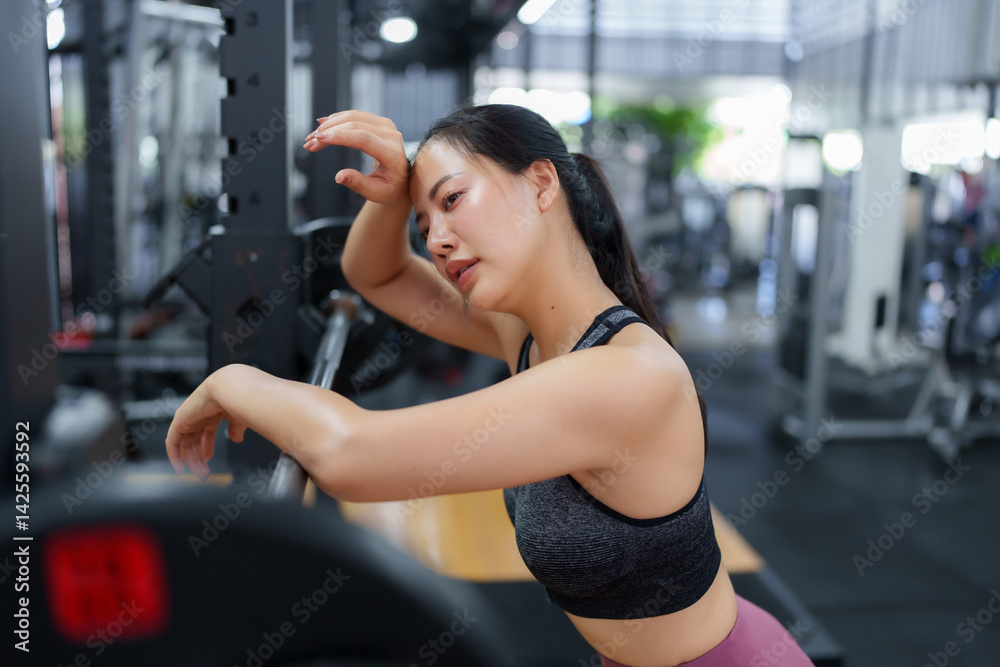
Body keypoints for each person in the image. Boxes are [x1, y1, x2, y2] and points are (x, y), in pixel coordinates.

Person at [166, 105, 813, 667]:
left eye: (452, 200)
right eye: (425, 225)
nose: (438, 240)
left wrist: (232, 378)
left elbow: (350, 454)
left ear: (541, 183)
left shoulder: (627, 376)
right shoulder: (528, 336)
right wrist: (392, 197)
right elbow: (377, 275)